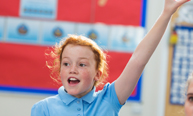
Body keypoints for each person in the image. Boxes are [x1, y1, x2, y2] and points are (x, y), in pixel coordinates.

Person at [31, 0, 190, 115]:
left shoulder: (108, 100)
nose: (73, 69)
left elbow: (138, 60)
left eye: (82, 65)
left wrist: (166, 13)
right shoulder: (43, 109)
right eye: (66, 63)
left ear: (97, 75)